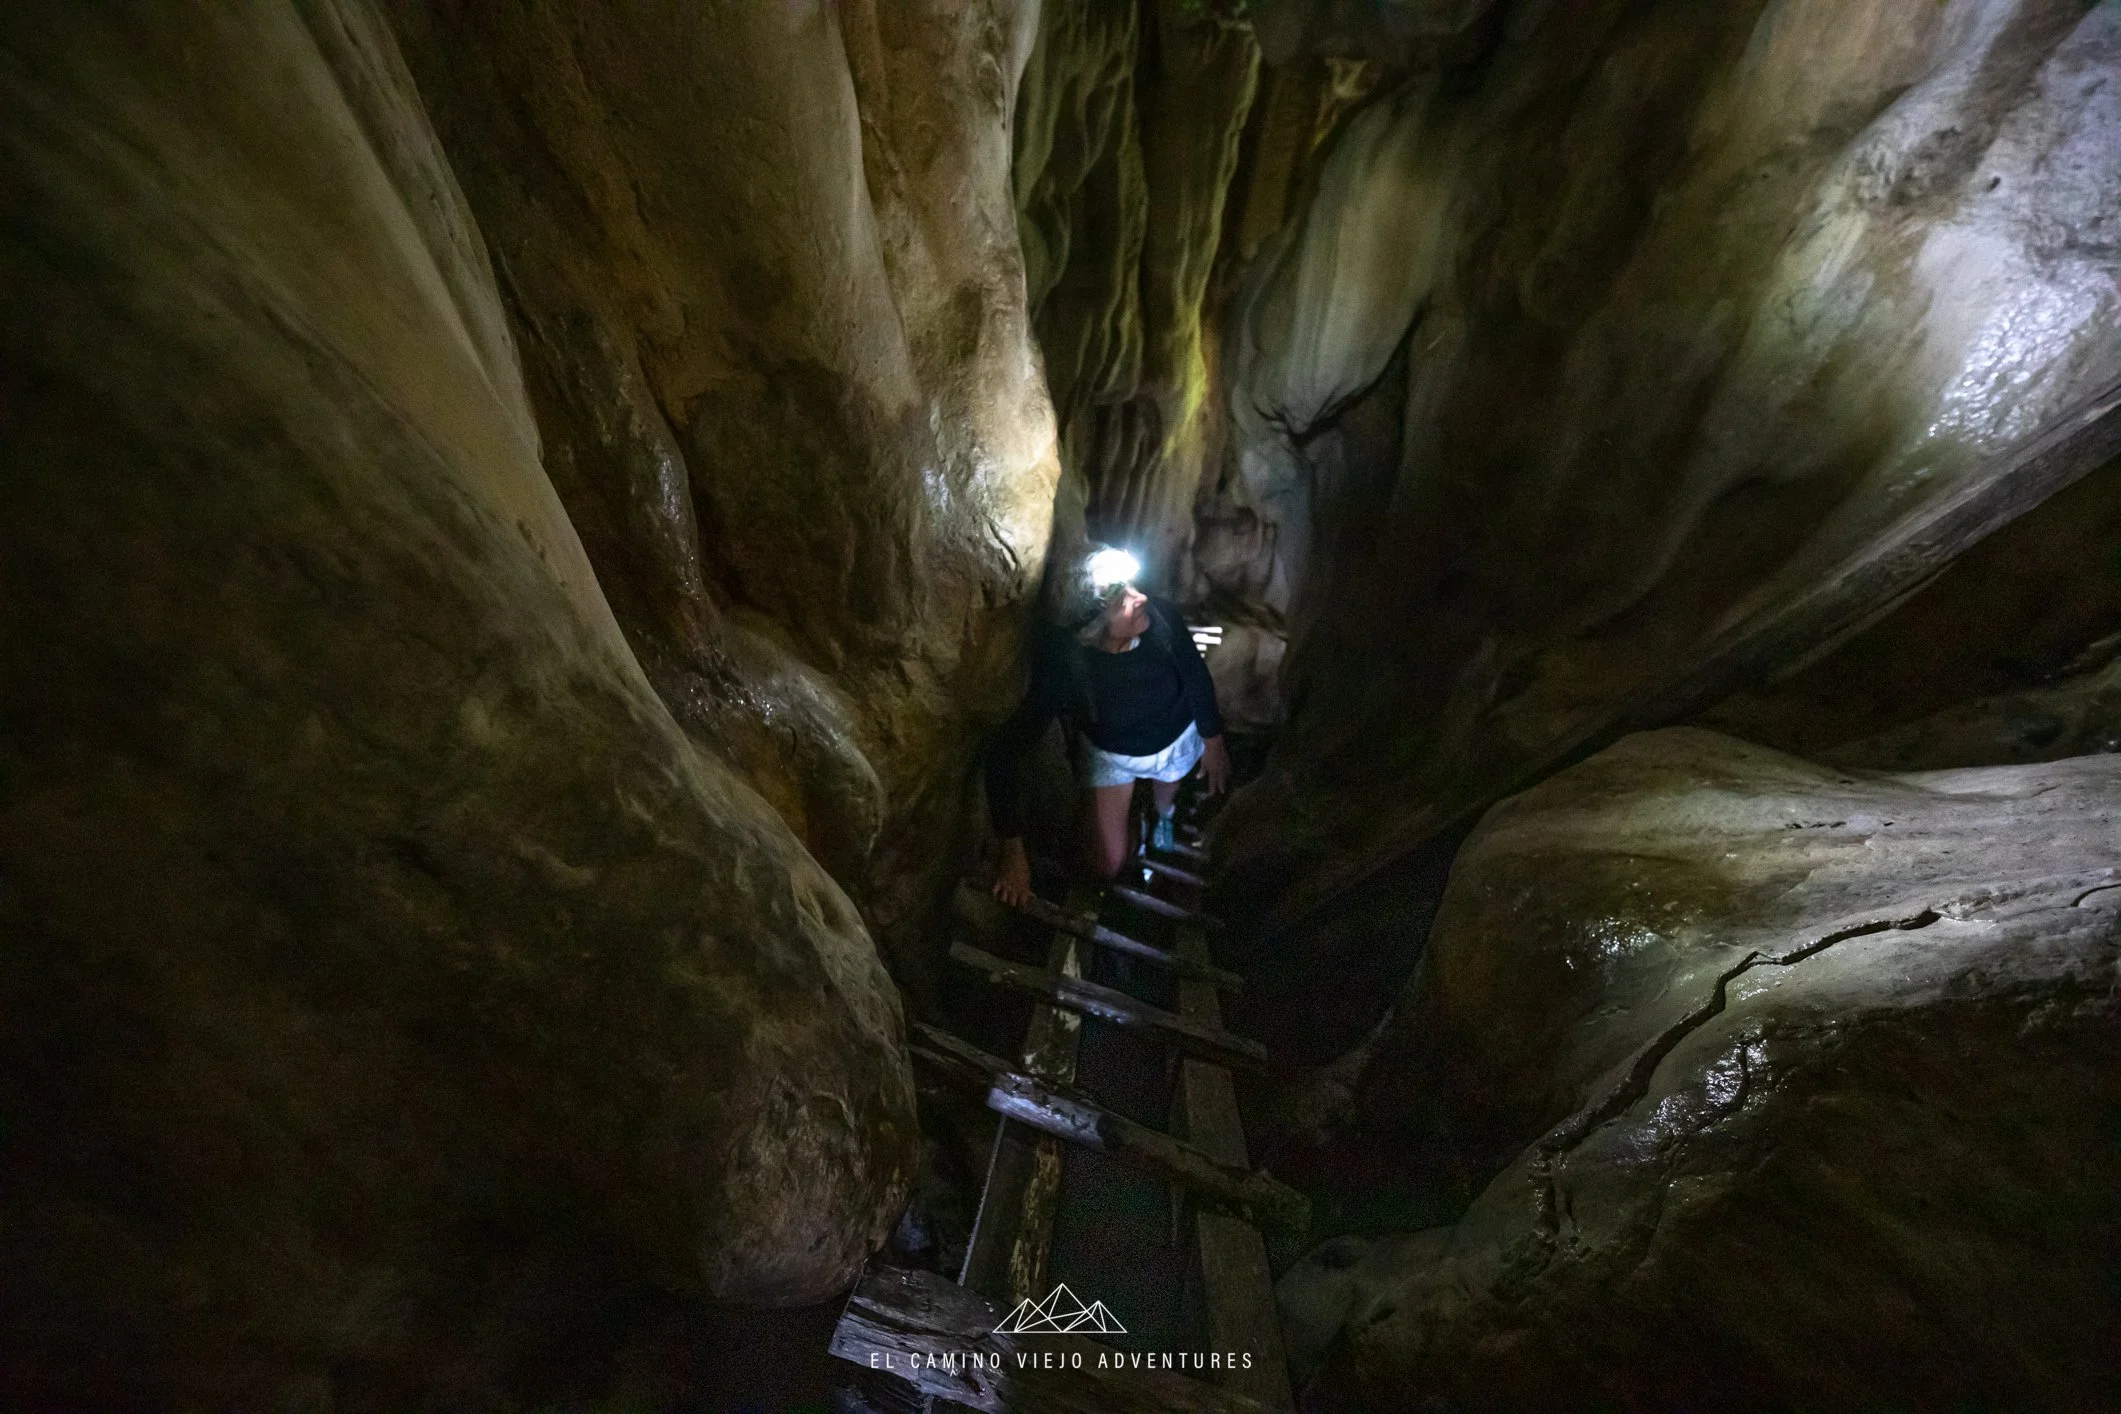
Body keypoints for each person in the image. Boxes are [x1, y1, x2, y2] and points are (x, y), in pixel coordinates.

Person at [984, 545, 1231, 908]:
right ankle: (1137, 829)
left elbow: (1194, 674)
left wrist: (1214, 741)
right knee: (1105, 865)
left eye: (1133, 586)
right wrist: (1012, 851)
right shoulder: (1067, 664)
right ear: (1093, 627)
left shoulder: (1161, 620)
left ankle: (1160, 822)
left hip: (1173, 740)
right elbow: (1004, 753)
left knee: (1168, 805)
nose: (1141, 597)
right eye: (1123, 600)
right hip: (1112, 753)